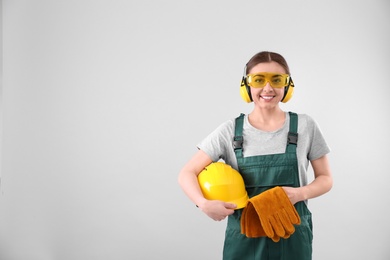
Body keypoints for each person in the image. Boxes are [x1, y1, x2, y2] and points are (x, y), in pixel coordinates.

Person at [178, 51, 333, 260]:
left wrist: (299, 194)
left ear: (287, 86)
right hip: (245, 240)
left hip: (292, 237)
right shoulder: (230, 131)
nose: (268, 88)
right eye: (259, 80)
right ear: (246, 86)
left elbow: (326, 178)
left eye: (276, 80)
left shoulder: (305, 125)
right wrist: (203, 204)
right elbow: (187, 173)